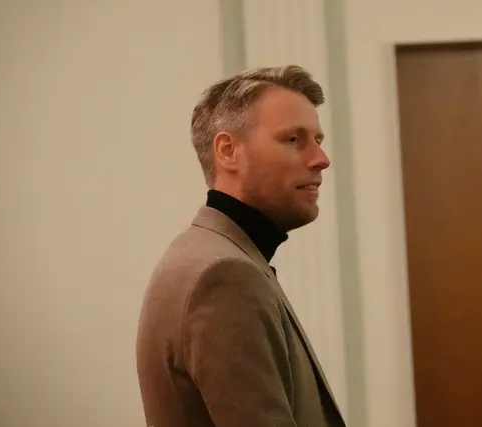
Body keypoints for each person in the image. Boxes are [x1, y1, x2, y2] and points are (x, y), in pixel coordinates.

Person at [135, 65, 346, 427]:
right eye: (293, 139)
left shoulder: (213, 254)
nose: (321, 159)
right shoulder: (224, 275)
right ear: (228, 150)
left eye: (317, 140)